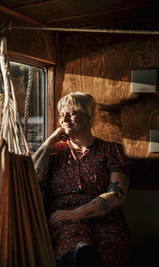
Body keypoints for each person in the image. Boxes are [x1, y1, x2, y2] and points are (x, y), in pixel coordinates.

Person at [32, 92, 131, 267]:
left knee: (111, 249)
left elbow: (117, 195)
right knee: (75, 245)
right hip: (64, 218)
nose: (64, 118)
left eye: (71, 112)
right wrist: (50, 141)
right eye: (62, 114)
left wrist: (77, 213)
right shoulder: (55, 152)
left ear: (89, 117)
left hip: (104, 217)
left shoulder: (110, 150)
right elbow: (31, 177)